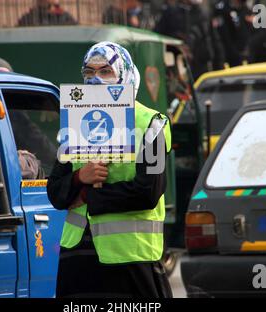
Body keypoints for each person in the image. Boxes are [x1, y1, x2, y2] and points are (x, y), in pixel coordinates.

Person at [47, 42, 173, 298]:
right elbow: (55, 192)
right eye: (89, 73)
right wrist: (80, 176)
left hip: (131, 260)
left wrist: (86, 197)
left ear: (125, 75)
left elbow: (149, 192)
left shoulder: (154, 124)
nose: (96, 81)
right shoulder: (75, 120)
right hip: (79, 258)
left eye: (105, 72)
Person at [155, 0, 225, 79]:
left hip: (202, 68)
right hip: (178, 69)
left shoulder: (204, 14)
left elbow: (215, 41)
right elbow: (158, 37)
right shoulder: (170, 13)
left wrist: (220, 69)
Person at [214, 0, 256, 66]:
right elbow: (225, 37)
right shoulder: (223, 9)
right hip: (232, 58)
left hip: (247, 54)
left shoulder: (245, 9)